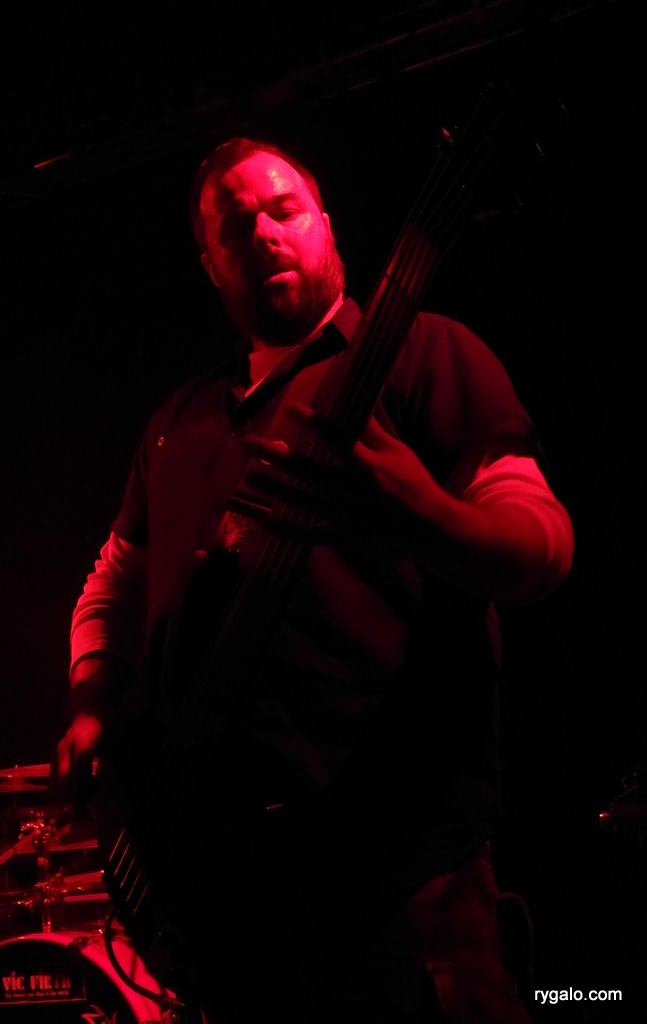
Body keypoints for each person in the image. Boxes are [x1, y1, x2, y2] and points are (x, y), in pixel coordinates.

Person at [56, 136, 574, 1023]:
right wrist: (92, 700)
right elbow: (111, 585)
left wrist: (428, 518)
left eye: (283, 210)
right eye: (234, 227)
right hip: (232, 908)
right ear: (210, 265)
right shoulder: (177, 421)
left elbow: (544, 543)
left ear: (326, 227)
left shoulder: (423, 352)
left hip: (404, 888)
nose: (263, 232)